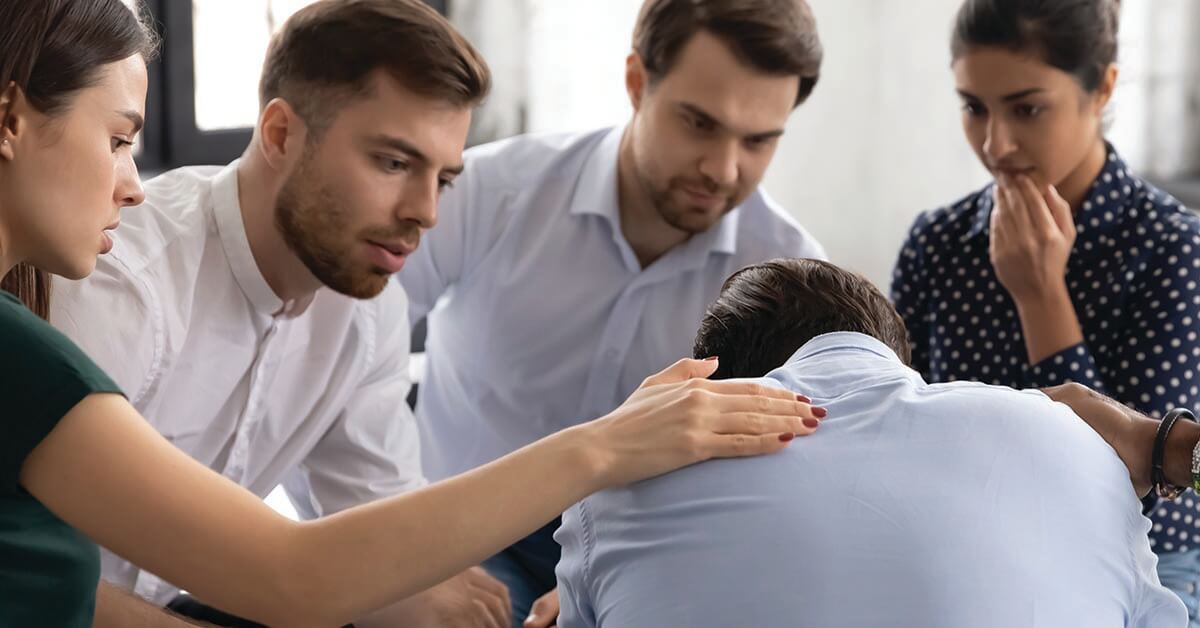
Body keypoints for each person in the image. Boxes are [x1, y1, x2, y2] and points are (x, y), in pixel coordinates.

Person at [0, 1, 820, 626]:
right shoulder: (120, 279)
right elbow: (47, 578)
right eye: (393, 162)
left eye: (444, 178)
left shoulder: (363, 311)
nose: (426, 213)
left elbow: (372, 528)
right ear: (280, 134)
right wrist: (604, 447)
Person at [399, 1, 826, 623]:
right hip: (460, 530)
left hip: (650, 551)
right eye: (699, 124)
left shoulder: (789, 271)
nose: (725, 169)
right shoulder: (489, 193)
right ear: (636, 83)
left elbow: (797, 473)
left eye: (759, 140)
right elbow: (344, 358)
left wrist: (636, 575)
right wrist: (395, 554)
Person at [555, 258, 1187, 627]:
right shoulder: (1070, 441)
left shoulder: (617, 487)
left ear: (720, 387)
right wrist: (1164, 443)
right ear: (899, 365)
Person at [889, 0, 1200, 613]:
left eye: (1027, 108)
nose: (995, 143)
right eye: (974, 108)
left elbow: (1167, 508)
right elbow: (895, 436)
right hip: (962, 559)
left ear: (1102, 88)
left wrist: (1041, 298)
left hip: (1142, 571)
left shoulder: (1174, 250)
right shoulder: (937, 243)